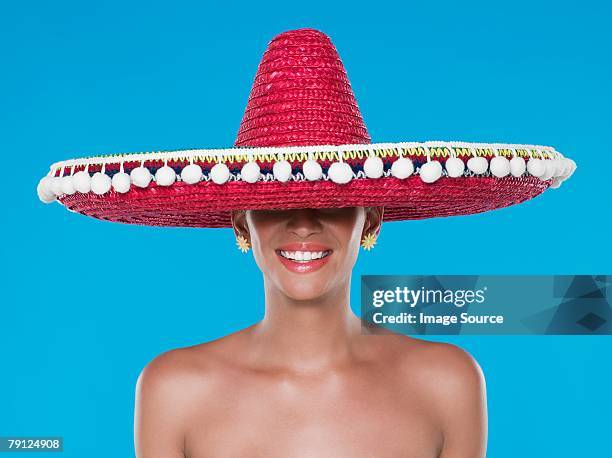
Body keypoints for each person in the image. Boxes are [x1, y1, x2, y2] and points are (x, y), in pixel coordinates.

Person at [134, 206, 487, 457]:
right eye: (274, 197)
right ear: (243, 223)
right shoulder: (175, 390)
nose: (303, 225)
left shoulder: (446, 382)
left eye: (331, 194)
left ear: (371, 221)